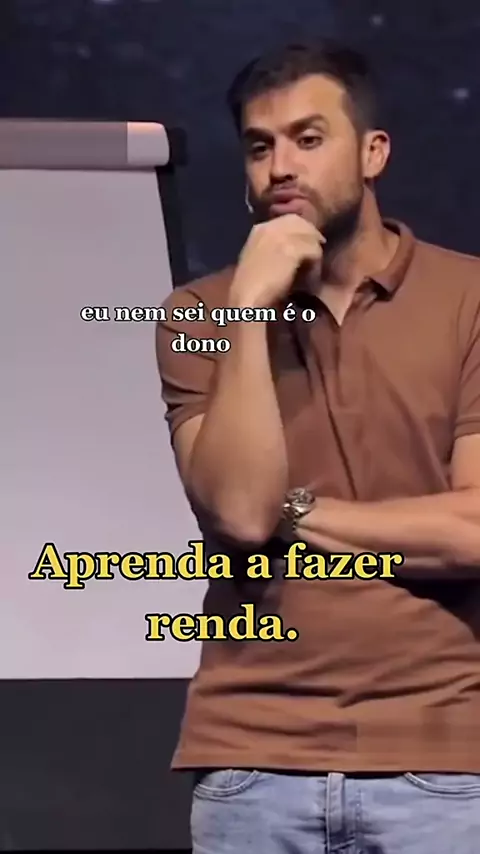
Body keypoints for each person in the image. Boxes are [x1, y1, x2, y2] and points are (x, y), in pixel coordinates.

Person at [155, 39, 480, 854]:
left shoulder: (470, 298)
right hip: (252, 761)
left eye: (308, 138)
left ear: (373, 153)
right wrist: (251, 307)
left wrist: (294, 511)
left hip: (442, 762)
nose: (280, 168)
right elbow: (239, 512)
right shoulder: (198, 313)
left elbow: (473, 531)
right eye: (259, 147)